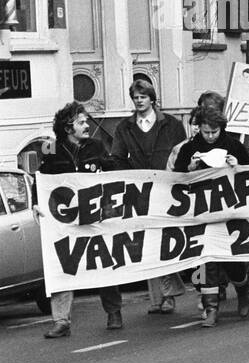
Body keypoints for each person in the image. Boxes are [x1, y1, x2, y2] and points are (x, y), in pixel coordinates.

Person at [39, 102, 123, 338]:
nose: (87, 126)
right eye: (81, 122)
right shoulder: (51, 148)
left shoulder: (96, 146)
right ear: (68, 127)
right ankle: (61, 320)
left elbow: (113, 169)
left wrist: (104, 168)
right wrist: (37, 203)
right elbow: (41, 178)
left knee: (105, 261)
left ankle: (114, 311)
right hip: (65, 221)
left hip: (96, 217)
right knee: (63, 264)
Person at [109, 79, 188, 314]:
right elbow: (117, 158)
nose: (139, 101)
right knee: (149, 243)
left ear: (152, 98)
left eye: (143, 96)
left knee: (164, 241)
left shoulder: (171, 125)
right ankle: (161, 297)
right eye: (135, 97)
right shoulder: (125, 127)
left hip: (167, 190)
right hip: (139, 192)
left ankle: (168, 294)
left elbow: (181, 153)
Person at [174, 106, 249, 325]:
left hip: (229, 210)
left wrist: (237, 166)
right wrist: (189, 168)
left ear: (222, 128)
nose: (210, 136)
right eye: (205, 132)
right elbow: (175, 178)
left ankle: (242, 290)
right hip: (201, 212)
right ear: (198, 128)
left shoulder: (233, 146)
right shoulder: (189, 148)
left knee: (231, 258)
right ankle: (211, 307)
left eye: (214, 132)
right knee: (204, 258)